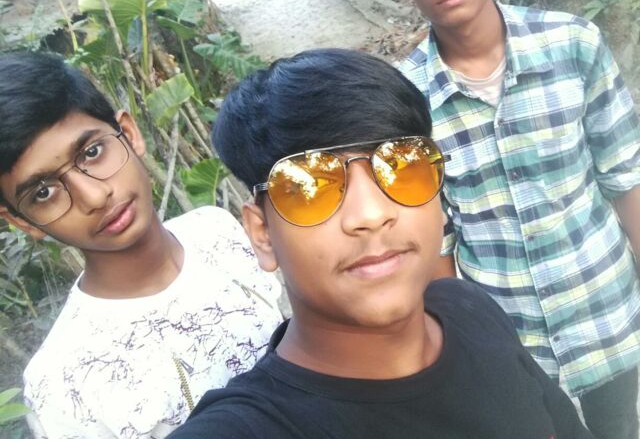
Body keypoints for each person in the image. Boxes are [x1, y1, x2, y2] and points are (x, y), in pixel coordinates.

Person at [169, 48, 593, 438]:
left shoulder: (470, 308)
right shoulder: (247, 429)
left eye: (401, 166)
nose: (371, 214)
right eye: (310, 185)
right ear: (262, 234)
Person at [380, 0, 640, 439]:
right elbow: (437, 244)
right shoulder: (404, 105)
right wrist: (458, 355)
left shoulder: (574, 46)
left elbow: (627, 178)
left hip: (607, 316)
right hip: (510, 346)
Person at [0, 52, 282, 439]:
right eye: (44, 192)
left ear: (130, 134)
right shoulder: (64, 385)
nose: (94, 196)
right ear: (21, 220)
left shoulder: (217, 231)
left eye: (92, 152)